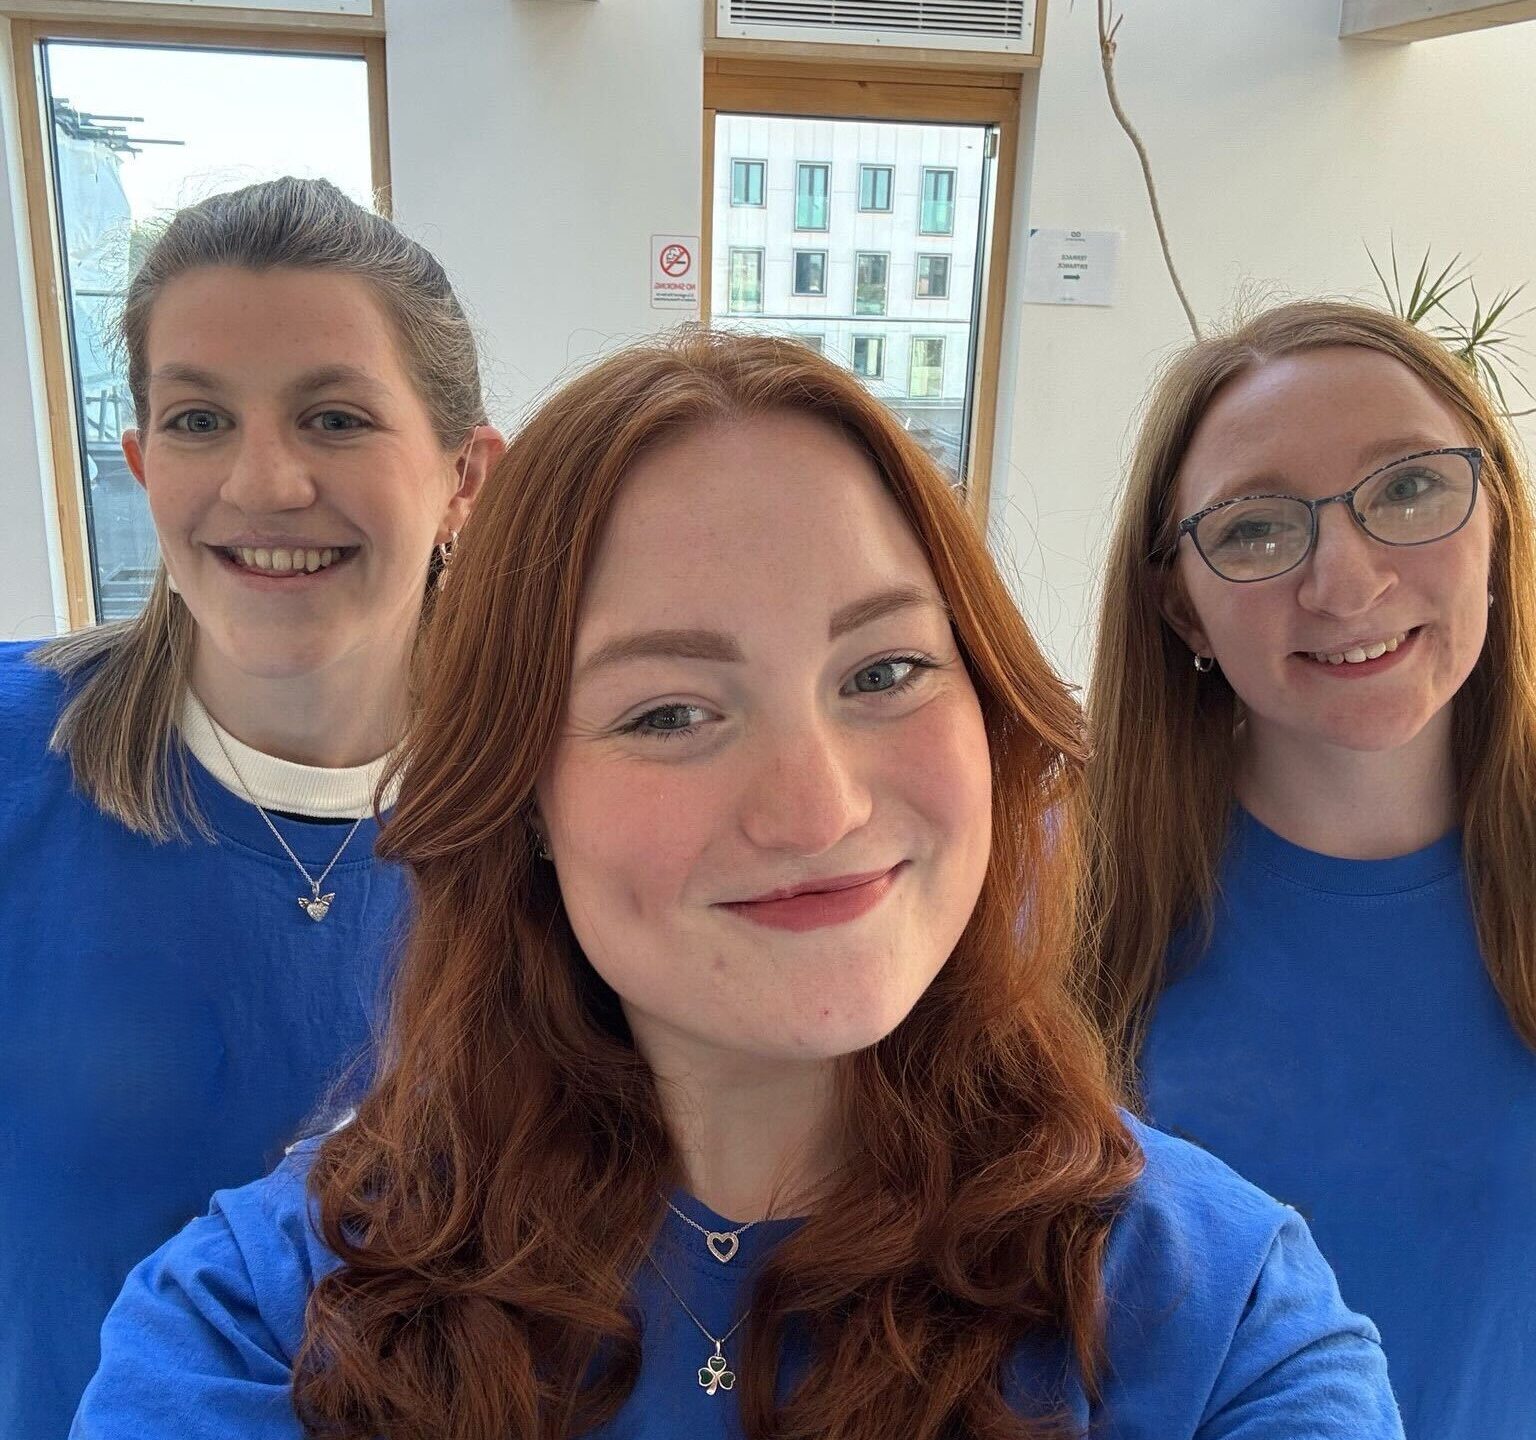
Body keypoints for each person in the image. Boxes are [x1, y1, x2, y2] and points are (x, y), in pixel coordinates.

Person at [74, 330, 1400, 1440]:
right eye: (669, 713)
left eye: (884, 673)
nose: (819, 808)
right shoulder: (255, 1324)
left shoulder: (1225, 1325)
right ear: (521, 796)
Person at [0, 176, 504, 1440]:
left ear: (463, 476)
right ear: (141, 466)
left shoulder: (565, 818)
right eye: (199, 420)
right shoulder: (14, 759)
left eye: (334, 418)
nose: (264, 483)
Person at [1082, 299, 1536, 1440]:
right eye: (1253, 530)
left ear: (1496, 522)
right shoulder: (1059, 901)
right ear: (1180, 605)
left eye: (1411, 488)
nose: (1346, 582)